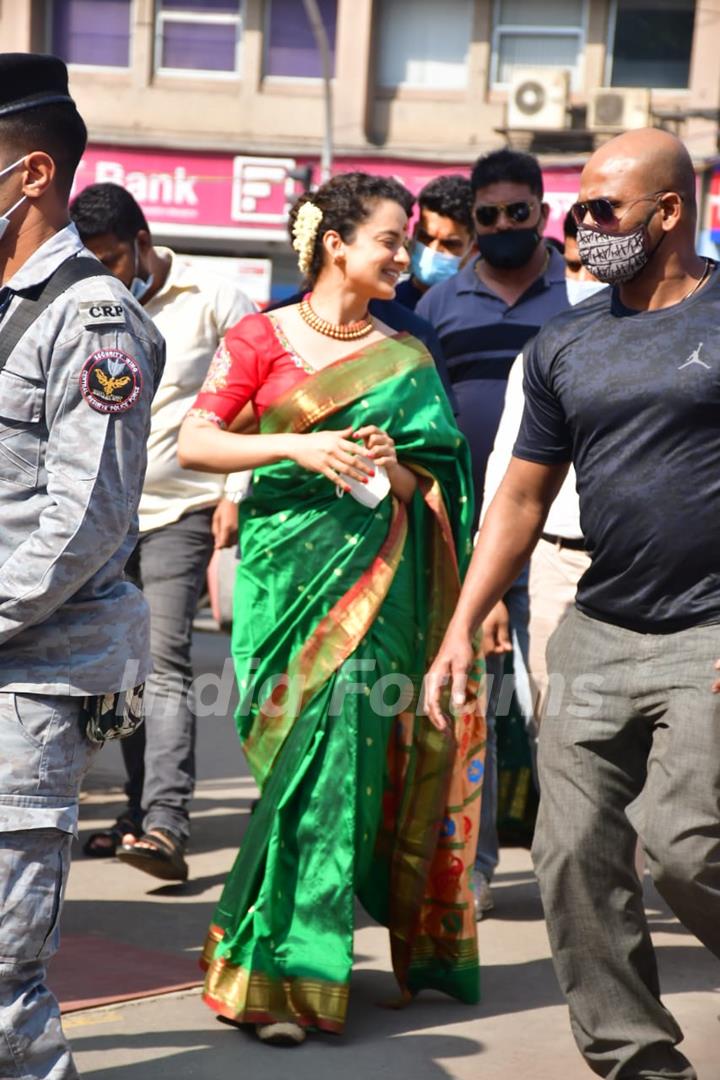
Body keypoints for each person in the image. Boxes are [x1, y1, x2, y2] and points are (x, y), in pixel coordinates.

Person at [427, 128, 720, 1080]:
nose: (577, 227)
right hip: (599, 626)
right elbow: (518, 499)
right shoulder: (567, 342)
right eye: (576, 208)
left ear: (668, 212)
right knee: (569, 855)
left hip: (708, 629)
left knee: (683, 847)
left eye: (602, 209)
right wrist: (461, 627)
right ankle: (636, 1057)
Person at [177, 172, 482, 1046]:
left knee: (335, 770)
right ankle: (266, 959)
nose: (405, 254)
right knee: (293, 773)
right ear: (336, 243)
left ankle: (290, 976)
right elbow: (197, 442)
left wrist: (388, 465)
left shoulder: (409, 357)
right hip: (283, 585)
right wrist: (300, 445)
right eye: (391, 238)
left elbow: (436, 478)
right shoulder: (259, 336)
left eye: (407, 240)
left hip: (375, 588)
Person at [0, 53, 164, 1079]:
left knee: (0, 982)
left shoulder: (91, 319)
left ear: (30, 176)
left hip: (26, 680)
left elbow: (88, 517)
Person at [69, 184, 254, 881]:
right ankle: (135, 812)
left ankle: (167, 825)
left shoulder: (215, 297)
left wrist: (236, 492)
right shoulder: (85, 302)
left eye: (114, 259)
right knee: (120, 673)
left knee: (167, 665)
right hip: (106, 519)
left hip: (184, 510)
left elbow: (257, 401)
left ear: (143, 243)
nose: (106, 275)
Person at [418, 148, 570, 918]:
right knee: (472, 709)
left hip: (560, 534)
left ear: (543, 213)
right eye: (490, 215)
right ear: (472, 222)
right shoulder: (442, 305)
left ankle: (575, 868)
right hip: (466, 536)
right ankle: (472, 875)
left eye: (520, 211)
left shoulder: (578, 297)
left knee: (557, 710)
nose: (506, 225)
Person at [394, 174, 474, 311]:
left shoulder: (479, 313)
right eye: (426, 238)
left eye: (449, 244)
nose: (434, 250)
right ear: (414, 233)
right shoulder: (387, 305)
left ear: (472, 247)